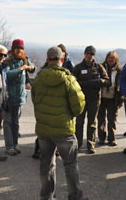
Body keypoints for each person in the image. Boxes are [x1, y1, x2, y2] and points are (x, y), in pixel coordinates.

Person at [31, 46, 86, 200]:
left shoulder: (39, 78)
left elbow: (36, 102)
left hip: (44, 130)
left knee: (46, 164)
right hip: (64, 130)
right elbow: (78, 108)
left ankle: (46, 196)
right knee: (70, 165)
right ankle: (75, 197)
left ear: (47, 60)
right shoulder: (68, 79)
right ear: (62, 59)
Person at [72, 45, 111, 154]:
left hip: (94, 98)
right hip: (81, 99)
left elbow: (107, 81)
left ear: (94, 55)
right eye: (87, 53)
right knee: (79, 122)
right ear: (84, 54)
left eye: (91, 54)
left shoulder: (99, 67)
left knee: (92, 123)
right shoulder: (78, 67)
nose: (89, 55)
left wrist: (99, 82)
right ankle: (77, 145)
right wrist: (84, 84)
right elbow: (72, 81)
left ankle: (90, 145)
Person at [4, 39, 36, 155]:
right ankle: (9, 146)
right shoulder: (7, 61)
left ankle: (15, 144)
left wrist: (30, 67)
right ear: (12, 49)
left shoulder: (25, 59)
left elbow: (33, 67)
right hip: (8, 97)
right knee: (8, 122)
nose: (19, 50)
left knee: (16, 122)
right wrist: (21, 68)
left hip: (20, 96)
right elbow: (7, 75)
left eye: (21, 48)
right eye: (17, 48)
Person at [97, 51, 123, 146]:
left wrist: (122, 100)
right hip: (101, 97)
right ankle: (101, 138)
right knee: (101, 118)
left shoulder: (119, 70)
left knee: (112, 119)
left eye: (113, 58)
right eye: (109, 57)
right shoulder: (101, 68)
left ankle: (111, 138)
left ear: (116, 59)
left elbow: (122, 86)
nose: (110, 59)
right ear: (106, 58)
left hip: (113, 98)